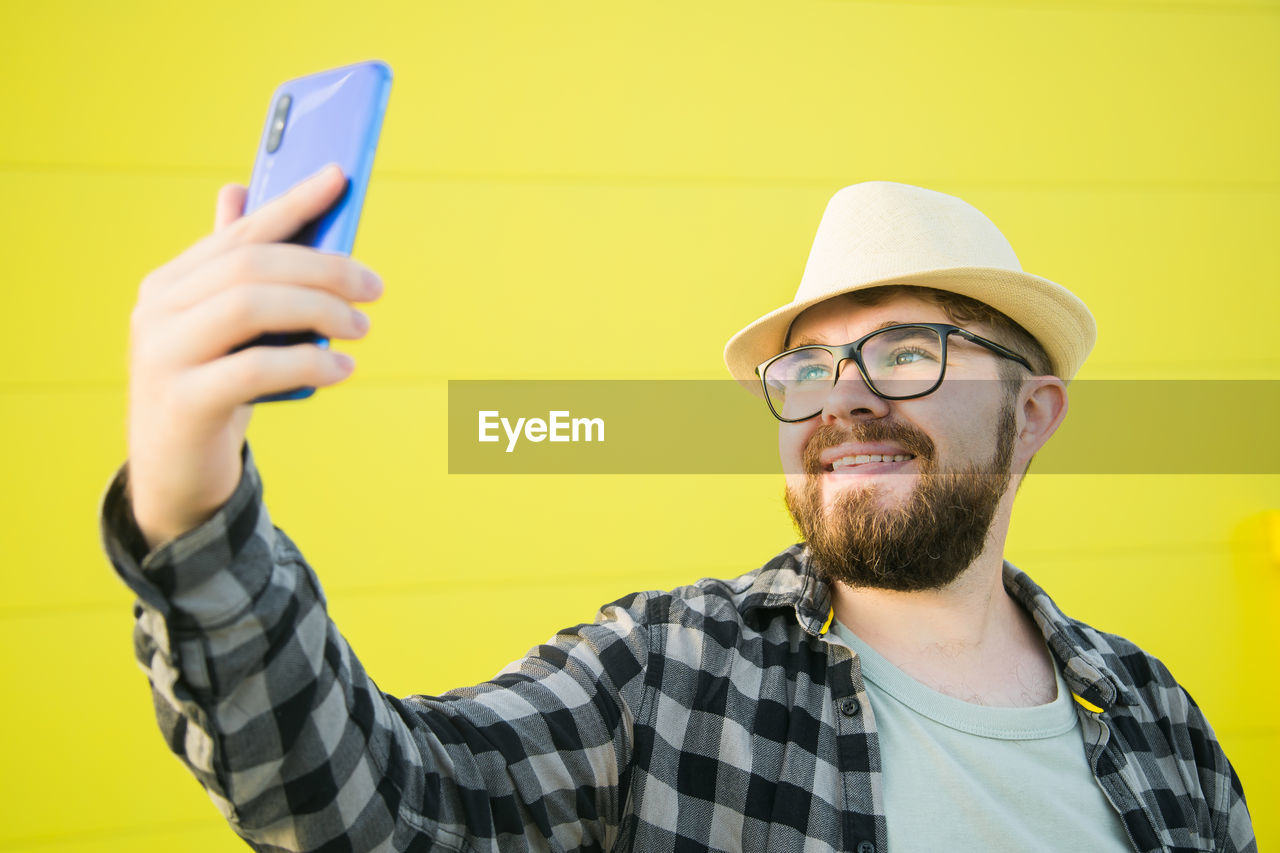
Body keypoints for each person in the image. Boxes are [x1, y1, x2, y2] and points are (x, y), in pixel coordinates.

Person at [100, 169, 1255, 852]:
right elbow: (373, 800)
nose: (843, 397)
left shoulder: (1158, 722)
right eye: (807, 370)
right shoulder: (668, 671)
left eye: (907, 351)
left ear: (1035, 410)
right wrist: (190, 493)